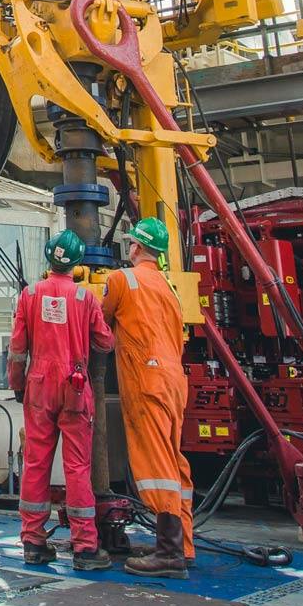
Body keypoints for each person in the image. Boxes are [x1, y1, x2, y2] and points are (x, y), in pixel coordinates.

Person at [7, 229, 115, 570]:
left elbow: (17, 349)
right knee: (78, 467)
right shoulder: (85, 298)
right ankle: (85, 548)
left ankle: (33, 542)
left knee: (36, 464)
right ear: (78, 263)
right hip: (75, 385)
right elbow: (105, 343)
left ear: (49, 258)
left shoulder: (30, 294)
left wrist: (17, 384)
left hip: (38, 386)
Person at [101, 215, 194, 575]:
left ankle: (168, 554)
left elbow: (101, 323)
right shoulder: (169, 287)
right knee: (174, 462)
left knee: (155, 466)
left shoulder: (121, 280)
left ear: (135, 246)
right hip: (174, 380)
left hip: (146, 379)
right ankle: (183, 544)